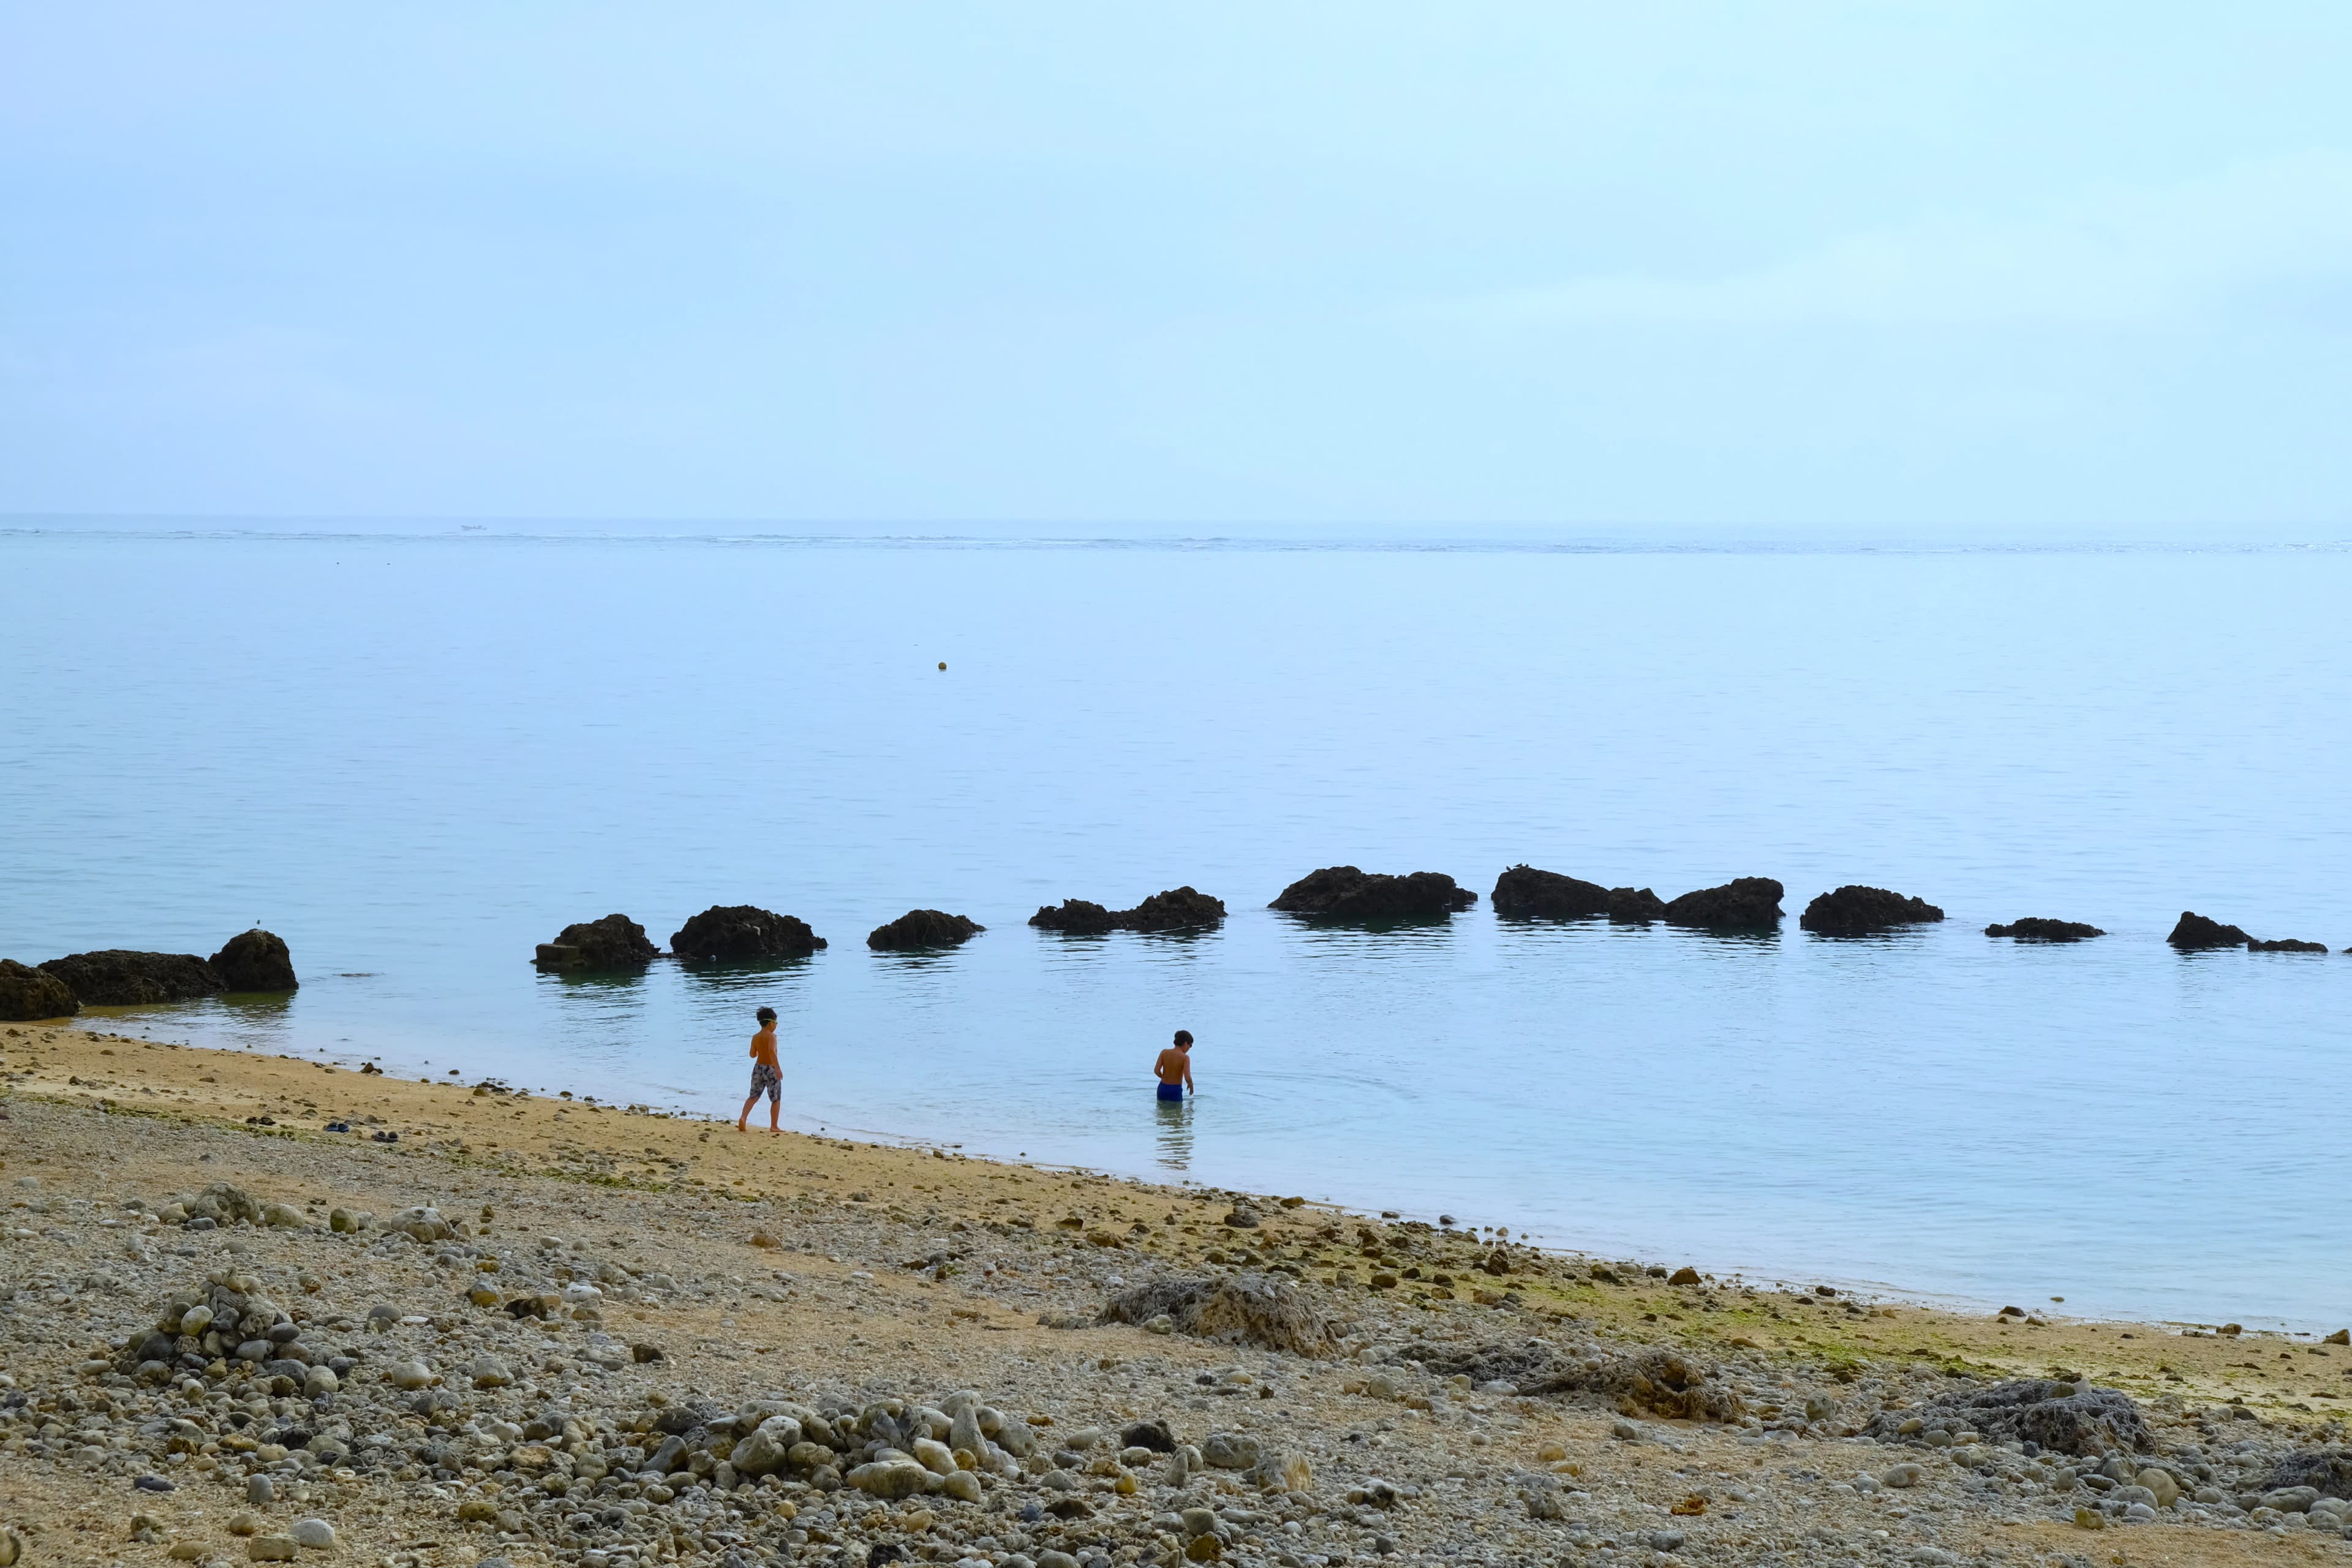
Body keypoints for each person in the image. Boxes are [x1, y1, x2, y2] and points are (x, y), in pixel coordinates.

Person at [738, 1005, 782, 1134]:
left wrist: (758, 1051)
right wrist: (778, 1069)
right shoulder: (772, 1037)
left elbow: (752, 1054)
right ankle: (774, 1126)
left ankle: (743, 1117)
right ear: (770, 1023)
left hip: (758, 1068)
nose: (776, 1026)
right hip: (771, 1069)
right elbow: (772, 1052)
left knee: (753, 1096)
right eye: (776, 1023)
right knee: (776, 1098)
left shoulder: (755, 1037)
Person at [1153, 1029, 1196, 1101]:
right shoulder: (1185, 1058)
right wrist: (1191, 1086)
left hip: (1162, 1088)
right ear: (1186, 1043)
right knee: (1177, 1112)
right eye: (1190, 1045)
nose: (1190, 1048)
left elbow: (1156, 1071)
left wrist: (1164, 1078)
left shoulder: (1164, 1052)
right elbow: (1188, 1077)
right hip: (1175, 1090)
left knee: (1161, 1111)